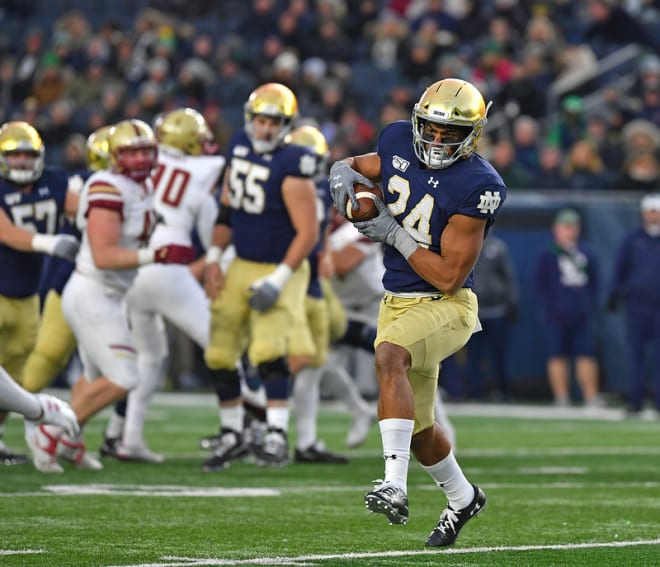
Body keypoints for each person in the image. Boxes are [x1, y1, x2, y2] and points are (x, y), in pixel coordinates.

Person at [329, 78, 506, 547]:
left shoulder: (480, 185)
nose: (437, 140)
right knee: (420, 432)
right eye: (430, 128)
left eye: (451, 133)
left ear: (474, 134)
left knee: (389, 356)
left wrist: (390, 232)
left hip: (447, 305)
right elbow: (359, 166)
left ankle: (393, 485)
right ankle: (463, 497)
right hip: (397, 300)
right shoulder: (395, 139)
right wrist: (342, 175)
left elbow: (448, 276)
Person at [24, 119, 195, 473]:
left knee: (92, 375)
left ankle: (71, 439)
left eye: (146, 151)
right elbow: (103, 254)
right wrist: (157, 256)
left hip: (110, 293)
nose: (140, 159)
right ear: (114, 156)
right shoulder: (108, 187)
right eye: (131, 152)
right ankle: (48, 429)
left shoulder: (141, 185)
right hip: (93, 292)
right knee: (125, 377)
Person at [202, 82, 318, 470]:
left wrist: (279, 279)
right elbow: (226, 210)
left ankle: (276, 435)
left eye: (274, 122)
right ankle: (232, 432)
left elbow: (308, 233)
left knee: (267, 350)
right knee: (218, 352)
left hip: (281, 265)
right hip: (241, 261)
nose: (265, 129)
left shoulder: (293, 162)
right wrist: (215, 257)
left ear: (286, 124)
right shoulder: (237, 144)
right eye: (260, 120)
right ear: (250, 120)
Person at [100, 107, 225, 463]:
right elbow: (210, 232)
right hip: (167, 267)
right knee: (221, 347)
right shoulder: (205, 170)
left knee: (150, 356)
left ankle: (127, 438)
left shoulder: (141, 164)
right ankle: (253, 428)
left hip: (133, 267)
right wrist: (212, 260)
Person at [0, 120, 80, 464]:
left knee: (14, 375)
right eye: (14, 156)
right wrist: (49, 242)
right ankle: (39, 412)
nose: (21, 162)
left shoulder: (56, 181)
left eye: (26, 155)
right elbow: (6, 233)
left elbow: (85, 210)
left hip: (28, 296)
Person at [21, 126, 112, 395]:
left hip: (118, 290)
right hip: (75, 281)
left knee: (121, 368)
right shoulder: (81, 184)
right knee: (45, 360)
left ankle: (117, 432)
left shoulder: (145, 189)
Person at [534, 208, 602, 408]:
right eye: (565, 227)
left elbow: (595, 283)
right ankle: (561, 397)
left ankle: (591, 397)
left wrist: (588, 306)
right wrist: (549, 310)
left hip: (581, 314)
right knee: (556, 356)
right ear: (556, 229)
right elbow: (540, 285)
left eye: (573, 227)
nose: (569, 231)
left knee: (586, 355)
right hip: (556, 314)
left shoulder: (587, 253)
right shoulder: (547, 254)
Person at [607, 193, 660, 417]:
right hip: (637, 303)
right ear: (642, 213)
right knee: (635, 354)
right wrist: (614, 294)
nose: (653, 215)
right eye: (650, 210)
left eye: (656, 211)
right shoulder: (632, 239)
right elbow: (620, 268)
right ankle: (635, 400)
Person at [465, 232, 519, 401]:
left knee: (498, 354)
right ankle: (475, 392)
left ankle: (502, 391)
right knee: (474, 355)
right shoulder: (462, 244)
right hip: (473, 311)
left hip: (497, 310)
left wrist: (512, 302)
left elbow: (509, 276)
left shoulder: (498, 247)